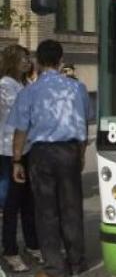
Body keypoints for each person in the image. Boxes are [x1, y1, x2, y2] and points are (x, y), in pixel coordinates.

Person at [7, 40, 90, 277]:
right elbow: (83, 123)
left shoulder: (29, 92)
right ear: (61, 60)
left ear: (38, 62)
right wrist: (81, 154)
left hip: (41, 154)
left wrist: (16, 161)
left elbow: (21, 130)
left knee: (46, 211)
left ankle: (55, 266)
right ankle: (77, 261)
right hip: (70, 151)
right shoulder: (78, 88)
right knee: (71, 207)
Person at [0, 45, 40, 272]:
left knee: (28, 202)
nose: (27, 62)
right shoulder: (5, 86)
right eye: (23, 58)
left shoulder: (26, 84)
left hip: (27, 149)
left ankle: (32, 243)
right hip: (9, 151)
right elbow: (22, 115)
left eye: (29, 58)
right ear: (13, 60)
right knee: (11, 204)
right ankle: (10, 250)